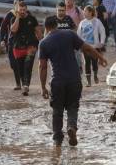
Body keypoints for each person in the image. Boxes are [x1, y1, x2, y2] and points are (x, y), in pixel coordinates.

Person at [39, 16, 107, 147]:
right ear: (57, 24)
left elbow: (42, 66)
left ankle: (58, 139)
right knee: (72, 107)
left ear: (46, 28)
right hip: (74, 79)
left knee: (57, 110)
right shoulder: (69, 34)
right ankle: (71, 127)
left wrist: (43, 87)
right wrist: (100, 57)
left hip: (57, 81)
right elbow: (86, 48)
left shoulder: (44, 43)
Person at [11, 1, 41, 96]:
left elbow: (38, 32)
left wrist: (41, 42)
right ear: (17, 10)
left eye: (24, 10)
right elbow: (13, 29)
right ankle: (24, 83)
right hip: (18, 47)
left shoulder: (32, 19)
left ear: (26, 9)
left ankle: (26, 86)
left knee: (28, 66)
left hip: (31, 46)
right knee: (20, 68)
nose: (22, 11)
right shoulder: (13, 19)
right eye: (21, 10)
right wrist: (18, 18)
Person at [0, 0, 25, 90]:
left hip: (23, 43)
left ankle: (22, 83)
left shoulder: (26, 15)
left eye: (21, 5)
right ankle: (19, 83)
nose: (20, 7)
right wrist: (2, 40)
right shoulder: (10, 15)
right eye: (18, 5)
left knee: (22, 63)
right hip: (11, 42)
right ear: (15, 6)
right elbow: (2, 28)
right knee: (13, 64)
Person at [78, 6, 106, 87]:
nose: (84, 13)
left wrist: (102, 42)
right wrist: (78, 44)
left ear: (90, 12)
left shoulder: (97, 22)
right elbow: (78, 34)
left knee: (94, 62)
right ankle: (88, 81)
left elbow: (102, 31)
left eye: (85, 11)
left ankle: (95, 75)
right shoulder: (82, 23)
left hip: (95, 47)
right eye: (83, 11)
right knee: (86, 63)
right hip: (85, 47)